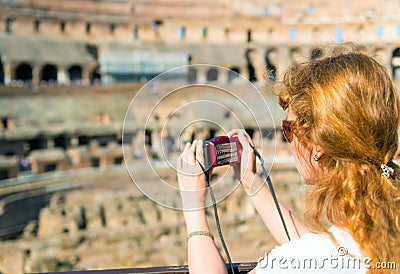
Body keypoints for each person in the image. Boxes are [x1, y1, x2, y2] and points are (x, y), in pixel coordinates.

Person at [176, 43, 400, 273]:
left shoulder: (306, 259)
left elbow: (315, 256)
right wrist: (253, 182)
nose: (287, 140)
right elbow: (323, 252)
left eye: (288, 129)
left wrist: (193, 209)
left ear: (317, 147)